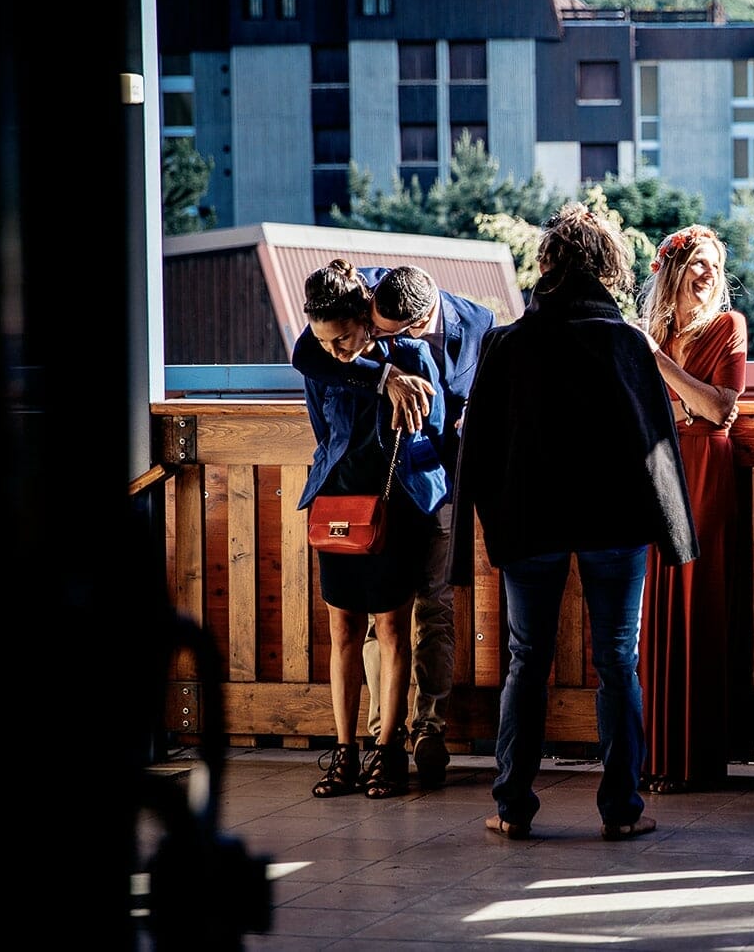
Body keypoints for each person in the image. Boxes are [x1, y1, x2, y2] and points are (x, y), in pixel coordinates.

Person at [452, 202, 697, 841]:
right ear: (608, 266)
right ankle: (621, 810)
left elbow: (476, 443)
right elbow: (657, 439)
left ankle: (511, 805)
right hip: (614, 524)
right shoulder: (624, 342)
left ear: (548, 266)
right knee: (619, 660)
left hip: (529, 520)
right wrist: (676, 533)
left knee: (525, 660)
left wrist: (473, 536)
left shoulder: (506, 342)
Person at [292, 264, 498, 789]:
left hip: (414, 496)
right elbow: (322, 416)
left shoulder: (438, 339)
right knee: (349, 628)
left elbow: (438, 419)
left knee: (417, 616)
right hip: (343, 502)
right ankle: (357, 746)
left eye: (347, 339)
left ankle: (410, 739)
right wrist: (375, 379)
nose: (339, 350)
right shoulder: (335, 337)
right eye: (330, 342)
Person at [635, 224, 748, 793]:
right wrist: (682, 401)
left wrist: (660, 364)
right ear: (673, 272)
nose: (709, 274)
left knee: (697, 603)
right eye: (699, 263)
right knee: (657, 607)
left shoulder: (728, 327)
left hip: (705, 469)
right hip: (658, 470)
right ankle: (657, 756)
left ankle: (697, 759)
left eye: (715, 266)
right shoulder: (651, 332)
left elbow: (720, 410)